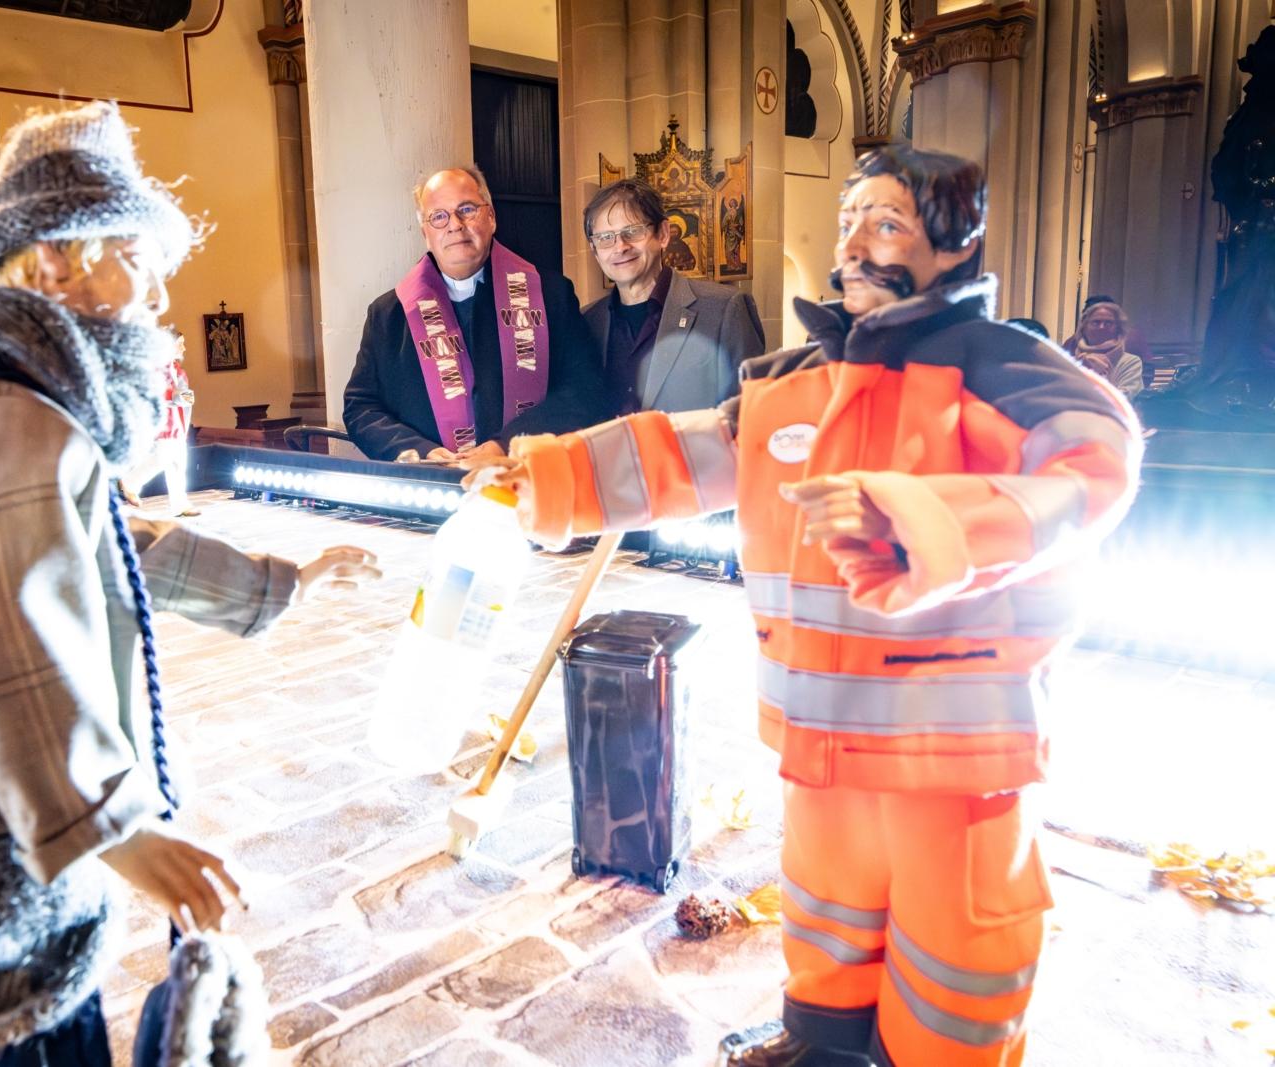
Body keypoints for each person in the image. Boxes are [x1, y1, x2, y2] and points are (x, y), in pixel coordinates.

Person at [471, 145, 1140, 1067]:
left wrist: (927, 523)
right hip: (820, 734)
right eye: (850, 220)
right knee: (828, 905)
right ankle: (822, 1043)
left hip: (951, 749)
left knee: (957, 937)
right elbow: (684, 453)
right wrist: (543, 474)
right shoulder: (794, 380)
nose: (856, 243)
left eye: (888, 222)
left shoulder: (1010, 373)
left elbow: (1093, 469)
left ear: (955, 244)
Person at [0, 101, 380, 1065]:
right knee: (40, 1037)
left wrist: (281, 582)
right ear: (55, 260)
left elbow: (112, 545)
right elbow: (21, 649)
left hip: (29, 813)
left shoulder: (30, 406)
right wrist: (115, 827)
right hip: (0, 830)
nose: (159, 282)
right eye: (135, 249)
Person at [342, 165, 610, 462]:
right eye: (439, 216)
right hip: (431, 487)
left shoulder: (550, 295)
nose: (454, 225)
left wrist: (505, 445)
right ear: (425, 233)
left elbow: (584, 390)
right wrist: (422, 452)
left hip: (528, 480)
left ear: (491, 217)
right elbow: (362, 407)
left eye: (466, 209)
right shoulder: (389, 316)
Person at [581, 179, 765, 415]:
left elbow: (750, 414)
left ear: (664, 234)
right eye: (606, 238)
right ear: (595, 251)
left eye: (633, 232)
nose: (620, 247)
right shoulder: (587, 321)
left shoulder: (724, 309)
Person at [121, 335, 199, 516]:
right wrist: (176, 396)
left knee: (178, 464)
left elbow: (182, 395)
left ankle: (180, 503)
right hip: (164, 423)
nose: (184, 348)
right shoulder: (154, 370)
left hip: (178, 423)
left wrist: (184, 398)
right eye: (180, 344)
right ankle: (130, 482)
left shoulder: (178, 371)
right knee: (161, 457)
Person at [1069, 300, 1145, 399]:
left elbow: (1122, 401)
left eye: (1108, 323)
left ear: (1118, 329)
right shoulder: (1067, 361)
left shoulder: (1130, 362)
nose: (1102, 327)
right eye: (1096, 322)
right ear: (1084, 327)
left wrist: (1098, 375)